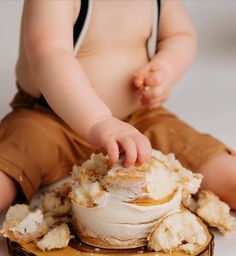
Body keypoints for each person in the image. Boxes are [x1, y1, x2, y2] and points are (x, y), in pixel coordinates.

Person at [0, 0, 236, 213]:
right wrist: (98, 121)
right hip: (49, 119)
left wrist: (165, 69)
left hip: (136, 122)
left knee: (193, 150)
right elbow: (49, 55)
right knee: (16, 155)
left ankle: (228, 177)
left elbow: (180, 35)